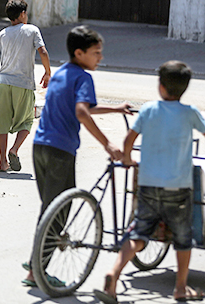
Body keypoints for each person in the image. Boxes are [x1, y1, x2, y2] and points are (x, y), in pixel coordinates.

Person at [94, 60, 205, 304]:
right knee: (183, 237)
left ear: (160, 86)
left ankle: (114, 273)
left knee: (140, 230)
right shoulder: (190, 112)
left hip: (148, 184)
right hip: (178, 187)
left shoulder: (149, 110)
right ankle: (180, 288)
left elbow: (129, 140)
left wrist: (128, 159)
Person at [23, 25, 131, 286]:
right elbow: (82, 112)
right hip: (61, 150)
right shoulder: (84, 78)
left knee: (50, 207)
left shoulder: (61, 74)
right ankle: (35, 272)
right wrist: (108, 144)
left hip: (41, 146)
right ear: (80, 53)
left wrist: (115, 109)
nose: (100, 58)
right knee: (59, 211)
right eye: (96, 53)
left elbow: (81, 107)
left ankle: (35, 260)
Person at [0, 0, 51, 172]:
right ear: (23, 14)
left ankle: (2, 163)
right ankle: (14, 149)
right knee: (27, 120)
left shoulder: (3, 33)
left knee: (2, 123)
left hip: (3, 83)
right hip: (23, 84)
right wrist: (48, 72)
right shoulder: (32, 30)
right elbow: (43, 51)